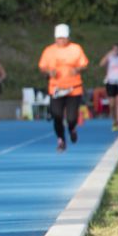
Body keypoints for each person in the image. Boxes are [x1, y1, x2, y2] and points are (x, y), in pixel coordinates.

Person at [38, 23, 90, 152]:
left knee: (72, 118)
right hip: (56, 88)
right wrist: (49, 73)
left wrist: (77, 69)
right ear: (55, 38)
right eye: (59, 38)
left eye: (64, 38)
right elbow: (42, 67)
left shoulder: (76, 49)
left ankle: (72, 128)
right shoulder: (49, 50)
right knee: (57, 115)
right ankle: (61, 139)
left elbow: (84, 64)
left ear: (68, 37)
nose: (61, 41)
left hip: (74, 88)